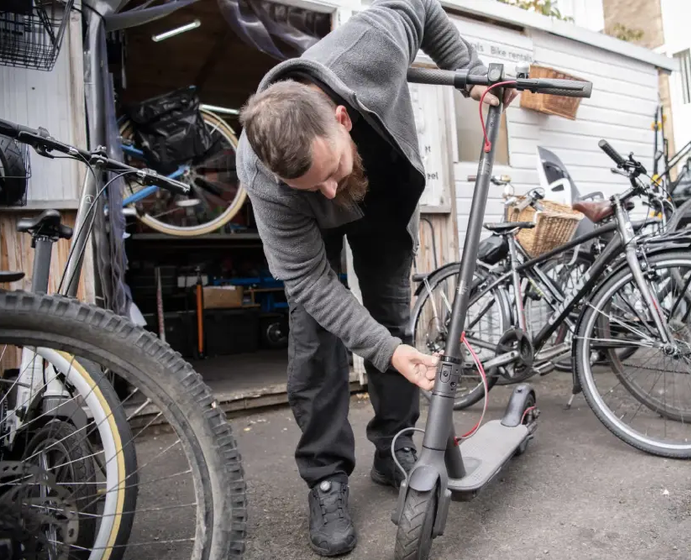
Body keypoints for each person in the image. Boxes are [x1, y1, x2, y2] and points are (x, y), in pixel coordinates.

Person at [236, 0, 517, 556]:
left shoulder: (372, 45)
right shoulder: (265, 175)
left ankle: (395, 447)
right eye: (311, 184)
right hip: (306, 232)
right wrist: (386, 352)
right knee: (315, 336)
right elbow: (314, 285)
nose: (330, 193)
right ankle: (325, 476)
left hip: (384, 193)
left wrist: (470, 73)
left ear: (342, 118)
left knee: (391, 315)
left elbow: (422, 6)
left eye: (330, 171)